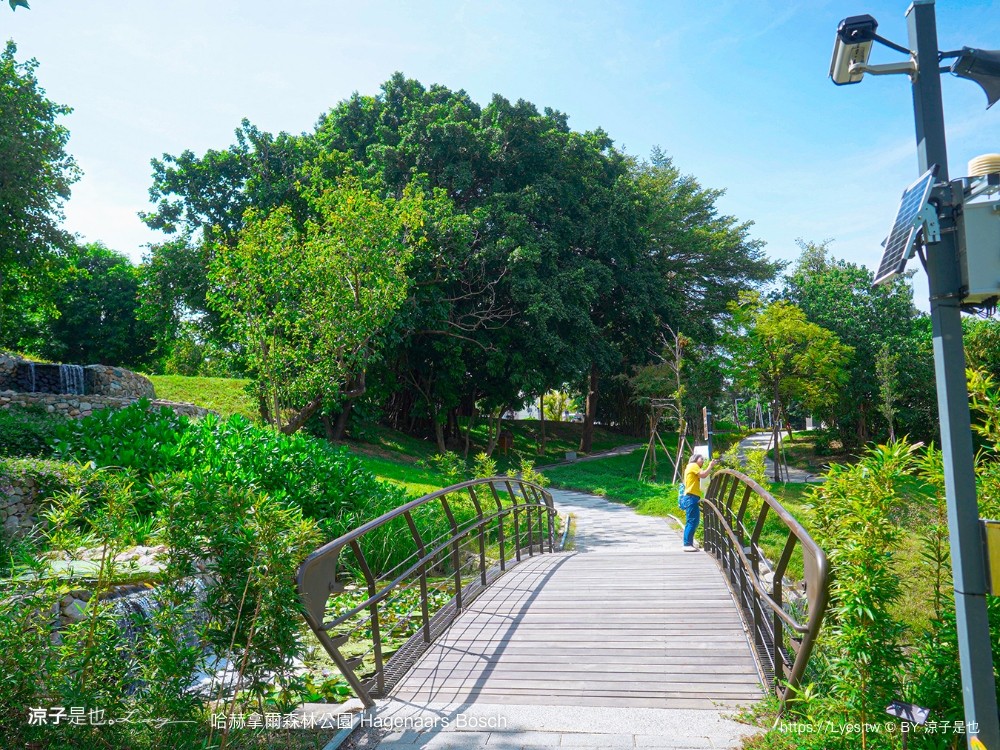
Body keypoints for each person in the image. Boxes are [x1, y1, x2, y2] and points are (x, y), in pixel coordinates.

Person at [681, 452, 715, 552]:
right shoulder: (693, 465)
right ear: (695, 459)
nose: (703, 461)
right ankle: (687, 544)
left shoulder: (690, 467)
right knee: (692, 521)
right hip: (691, 497)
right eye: (701, 459)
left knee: (693, 520)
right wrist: (711, 466)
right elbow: (703, 475)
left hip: (692, 496)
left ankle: (688, 543)